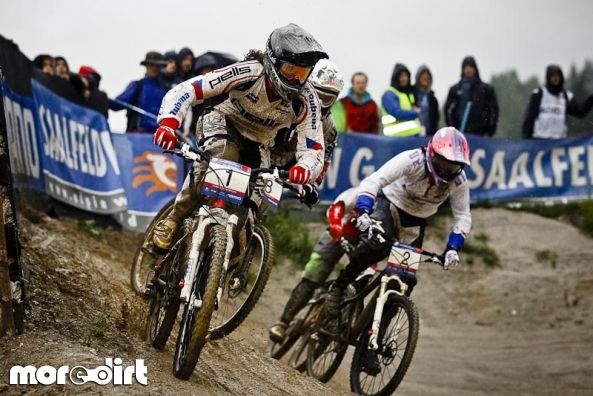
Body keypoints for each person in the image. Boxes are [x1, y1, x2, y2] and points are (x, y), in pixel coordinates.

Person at [269, 127, 472, 342]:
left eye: (454, 167)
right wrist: (361, 214)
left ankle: (375, 339)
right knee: (323, 267)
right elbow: (372, 183)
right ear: (432, 154)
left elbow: (463, 216)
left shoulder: (458, 182)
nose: (447, 170)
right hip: (381, 209)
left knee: (406, 281)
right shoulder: (411, 160)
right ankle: (294, 315)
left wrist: (453, 248)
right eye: (444, 164)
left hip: (415, 222)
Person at [151, 23, 329, 250]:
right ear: (273, 62)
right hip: (224, 123)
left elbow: (314, 149)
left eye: (302, 73)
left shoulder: (307, 98)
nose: (295, 79)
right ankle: (173, 219)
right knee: (220, 160)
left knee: (251, 207)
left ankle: (221, 268)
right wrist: (168, 124)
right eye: (289, 70)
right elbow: (189, 89)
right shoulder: (249, 71)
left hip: (261, 142)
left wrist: (305, 169)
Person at [271, 58, 344, 200]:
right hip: (260, 152)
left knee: (259, 209)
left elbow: (322, 159)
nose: (318, 103)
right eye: (316, 95)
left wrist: (312, 185)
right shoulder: (284, 105)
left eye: (326, 98)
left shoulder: (330, 128)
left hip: (288, 167)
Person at [522, 64, 593, 139]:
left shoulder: (566, 96)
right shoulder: (539, 94)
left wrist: (591, 99)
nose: (555, 79)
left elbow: (580, 112)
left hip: (558, 142)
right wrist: (527, 140)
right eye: (552, 76)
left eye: (557, 76)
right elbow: (529, 118)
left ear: (561, 77)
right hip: (540, 141)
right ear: (548, 78)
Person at [109, 51, 169, 132]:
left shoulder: (166, 90)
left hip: (159, 137)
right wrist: (101, 97)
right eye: (151, 65)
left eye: (157, 66)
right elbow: (116, 105)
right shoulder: (137, 86)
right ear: (146, 66)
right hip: (137, 137)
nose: (154, 68)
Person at [444, 56, 499, 136]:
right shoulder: (455, 90)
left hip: (480, 135)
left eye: (470, 66)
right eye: (466, 67)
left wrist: (490, 131)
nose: (468, 69)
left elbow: (493, 111)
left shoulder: (486, 90)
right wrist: (452, 130)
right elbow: (448, 111)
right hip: (459, 134)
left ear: (475, 69)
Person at [381, 63, 423, 137]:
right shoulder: (390, 94)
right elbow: (397, 113)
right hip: (396, 139)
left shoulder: (409, 93)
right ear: (395, 78)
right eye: (401, 76)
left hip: (414, 136)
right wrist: (415, 112)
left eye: (406, 76)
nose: (404, 79)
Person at [413, 65, 439, 136]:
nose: (425, 77)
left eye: (427, 76)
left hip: (429, 135)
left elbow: (436, 120)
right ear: (418, 78)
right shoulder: (411, 93)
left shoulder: (433, 99)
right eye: (423, 75)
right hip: (413, 135)